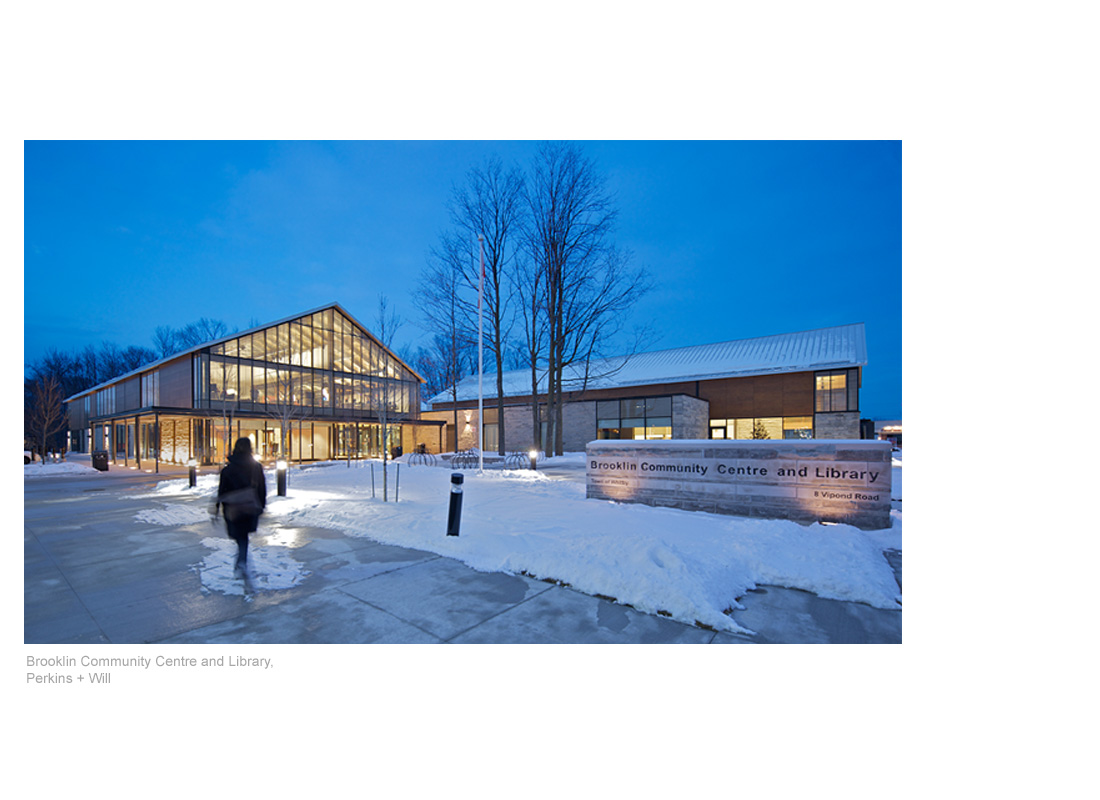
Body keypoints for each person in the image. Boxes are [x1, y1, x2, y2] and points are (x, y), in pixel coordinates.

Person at [213, 437, 267, 577]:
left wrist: (216, 508)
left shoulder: (228, 469)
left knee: (240, 537)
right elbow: (262, 488)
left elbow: (221, 490)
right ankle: (241, 561)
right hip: (250, 506)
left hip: (232, 508)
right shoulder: (256, 467)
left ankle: (241, 561)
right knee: (243, 537)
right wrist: (261, 506)